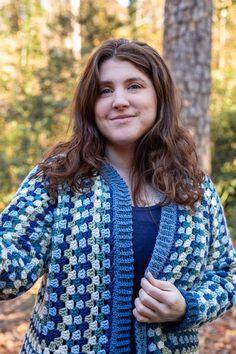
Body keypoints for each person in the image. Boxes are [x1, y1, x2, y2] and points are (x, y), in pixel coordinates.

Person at [0, 38, 235, 354]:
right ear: (90, 104)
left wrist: (187, 307)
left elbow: (226, 275)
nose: (119, 100)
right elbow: (10, 273)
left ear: (158, 96)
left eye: (134, 86)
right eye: (105, 90)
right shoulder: (58, 176)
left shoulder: (193, 187)